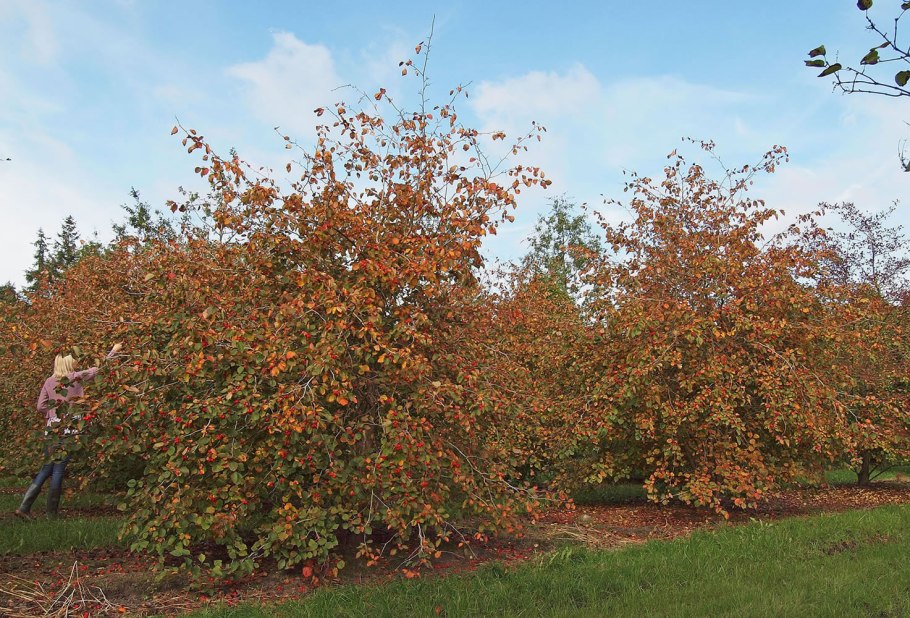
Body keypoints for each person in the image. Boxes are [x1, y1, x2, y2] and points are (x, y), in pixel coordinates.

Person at [13, 342, 123, 520]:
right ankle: (51, 515)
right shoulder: (76, 377)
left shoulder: (49, 381)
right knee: (58, 471)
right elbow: (100, 368)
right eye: (74, 360)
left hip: (52, 430)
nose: (76, 362)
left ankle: (24, 507)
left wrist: (52, 414)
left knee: (47, 468)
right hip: (70, 430)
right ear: (69, 363)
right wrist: (114, 351)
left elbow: (40, 406)